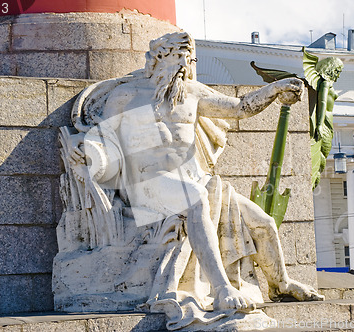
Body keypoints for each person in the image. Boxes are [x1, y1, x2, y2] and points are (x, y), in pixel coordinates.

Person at [65, 31, 322, 327]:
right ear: (158, 58)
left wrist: (274, 89)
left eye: (187, 60)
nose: (183, 67)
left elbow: (240, 108)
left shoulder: (193, 93)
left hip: (194, 180)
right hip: (148, 186)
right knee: (196, 199)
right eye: (177, 59)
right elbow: (107, 141)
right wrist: (88, 150)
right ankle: (221, 288)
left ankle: (282, 283)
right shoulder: (127, 96)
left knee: (262, 222)